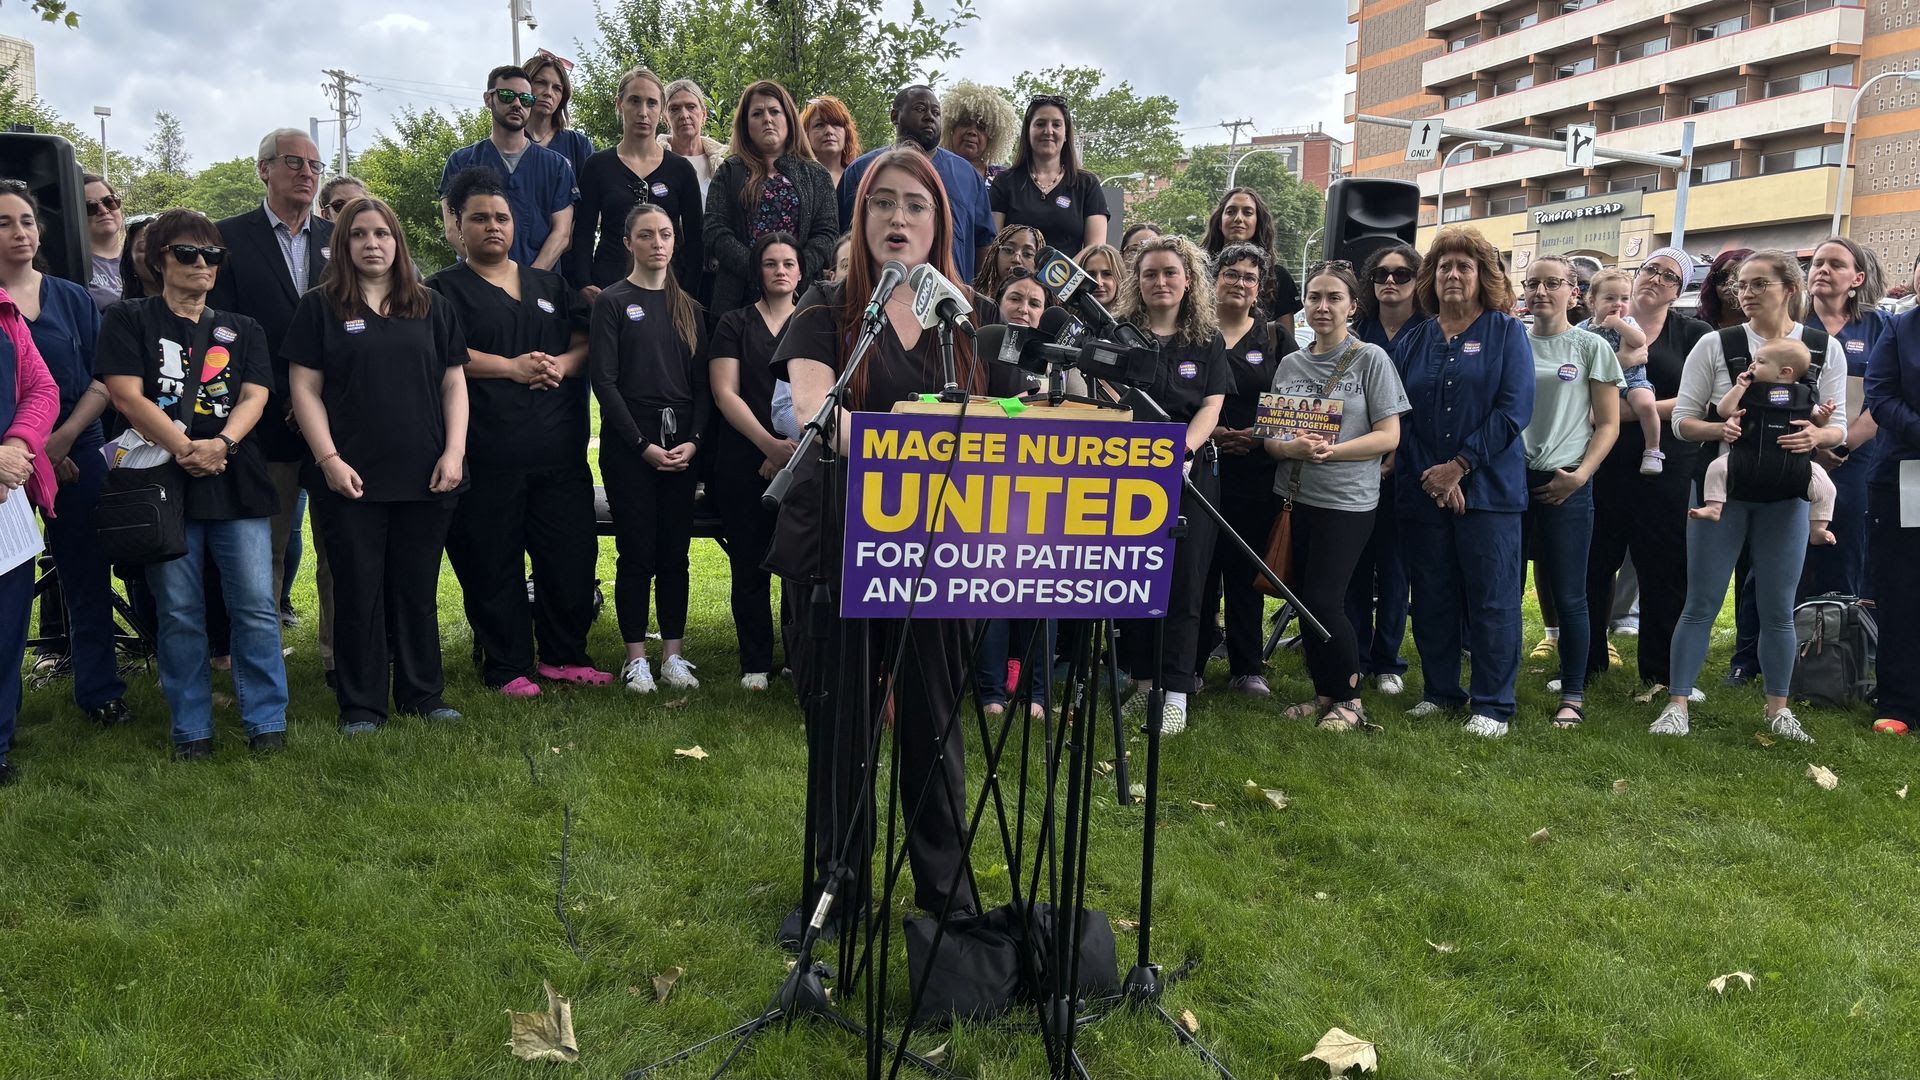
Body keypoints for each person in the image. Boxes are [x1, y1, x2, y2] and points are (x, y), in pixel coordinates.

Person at [771, 147, 983, 937]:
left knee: (935, 723)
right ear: (859, 220)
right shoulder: (825, 309)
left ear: (940, 222)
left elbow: (994, 427)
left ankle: (945, 894)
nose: (899, 218)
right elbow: (817, 412)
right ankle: (839, 883)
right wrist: (915, 446)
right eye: (882, 204)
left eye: (916, 205)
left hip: (938, 549)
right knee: (842, 726)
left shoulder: (966, 316)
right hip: (839, 543)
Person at [95, 209, 288, 759]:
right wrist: (185, 449)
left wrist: (220, 445)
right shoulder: (129, 319)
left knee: (253, 602)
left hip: (232, 473)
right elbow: (124, 393)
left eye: (212, 255)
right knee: (178, 607)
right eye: (187, 253)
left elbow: (255, 394)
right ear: (160, 260)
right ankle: (191, 730)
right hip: (161, 477)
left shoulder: (242, 327)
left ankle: (266, 720)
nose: (202, 264)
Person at [286, 196, 469, 734]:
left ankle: (423, 694)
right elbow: (304, 388)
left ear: (398, 242)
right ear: (342, 245)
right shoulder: (319, 307)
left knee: (416, 587)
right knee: (358, 588)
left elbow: (454, 382)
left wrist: (454, 451)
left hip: (426, 472)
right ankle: (361, 705)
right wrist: (329, 460)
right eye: (359, 235)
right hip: (351, 478)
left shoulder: (431, 305)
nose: (372, 244)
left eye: (382, 234)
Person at [1651, 249, 1847, 742]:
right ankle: (1677, 704)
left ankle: (1778, 709)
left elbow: (1837, 426)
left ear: (1790, 289)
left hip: (1787, 492)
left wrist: (1815, 438)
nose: (1746, 293)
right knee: (1701, 601)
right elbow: (1682, 422)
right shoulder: (1718, 345)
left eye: (1759, 284)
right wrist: (1722, 428)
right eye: (1742, 284)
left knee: (1779, 607)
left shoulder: (1822, 349)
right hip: (1725, 486)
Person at [428, 168, 607, 698]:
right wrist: (511, 367)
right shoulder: (441, 291)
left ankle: (563, 655)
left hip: (558, 454)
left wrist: (563, 366)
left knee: (570, 557)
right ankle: (506, 665)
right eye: (478, 218)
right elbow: (444, 357)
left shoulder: (550, 284)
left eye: (501, 218)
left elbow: (583, 342)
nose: (492, 227)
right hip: (486, 456)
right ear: (458, 226)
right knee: (492, 563)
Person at [207, 129, 336, 683]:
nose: (307, 173)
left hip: (337, 421)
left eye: (314, 164)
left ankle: (340, 656)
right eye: (293, 162)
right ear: (263, 170)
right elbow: (224, 331)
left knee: (338, 549)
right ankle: (256, 666)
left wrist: (318, 397)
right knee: (267, 550)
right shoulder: (229, 238)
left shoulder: (340, 237)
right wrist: (281, 396)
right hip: (262, 422)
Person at [0, 181, 130, 728]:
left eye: (26, 220)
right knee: (9, 585)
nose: (19, 232)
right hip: (6, 464)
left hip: (75, 445)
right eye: (4, 223)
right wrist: (29, 452)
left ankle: (99, 688)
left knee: (86, 572)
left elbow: (101, 383)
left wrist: (58, 442)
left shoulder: (72, 297)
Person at [1395, 227, 1533, 737]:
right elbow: (1400, 412)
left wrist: (1460, 465)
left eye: (1464, 266)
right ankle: (1440, 692)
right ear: (1431, 278)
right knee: (1431, 594)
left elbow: (1514, 409)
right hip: (1424, 489)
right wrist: (1434, 476)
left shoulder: (1505, 331)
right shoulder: (1416, 336)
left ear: (1483, 277)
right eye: (1444, 266)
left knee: (1493, 598)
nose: (1453, 275)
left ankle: (1493, 704)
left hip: (1491, 491)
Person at [1265, 262, 1409, 731]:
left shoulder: (1371, 360)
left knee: (1327, 601)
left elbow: (1389, 436)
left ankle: (1350, 699)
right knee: (1303, 599)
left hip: (1346, 502)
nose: (1322, 307)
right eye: (1314, 297)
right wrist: (1289, 447)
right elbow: (1271, 435)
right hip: (1293, 496)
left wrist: (1333, 451)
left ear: (1352, 306)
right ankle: (1324, 691)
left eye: (1333, 298)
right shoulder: (1290, 363)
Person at [591, 203, 709, 694]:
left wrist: (694, 441)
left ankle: (673, 656)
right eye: (646, 235)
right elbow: (605, 381)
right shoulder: (613, 303)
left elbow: (704, 386)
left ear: (674, 241)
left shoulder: (691, 307)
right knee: (636, 552)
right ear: (628, 243)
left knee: (674, 554)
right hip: (630, 445)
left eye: (665, 233)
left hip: (681, 442)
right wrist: (639, 444)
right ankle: (635, 657)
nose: (657, 243)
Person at [1115, 233, 1229, 735]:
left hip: (1190, 475)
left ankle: (1176, 689)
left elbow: (1211, 406)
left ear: (1189, 280)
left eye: (1170, 273)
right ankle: (1143, 681)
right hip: (1127, 475)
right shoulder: (1119, 334)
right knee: (1134, 576)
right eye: (1150, 274)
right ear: (1137, 283)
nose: (1160, 282)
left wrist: (1180, 451)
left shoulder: (1207, 339)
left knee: (1183, 583)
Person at [1583, 249, 1709, 691]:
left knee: (1664, 567)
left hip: (1666, 464)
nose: (1655, 279)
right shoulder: (1600, 325)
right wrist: (1609, 415)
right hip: (1605, 460)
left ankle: (1660, 670)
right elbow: (1578, 391)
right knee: (1594, 563)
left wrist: (1629, 412)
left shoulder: (1694, 333)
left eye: (1669, 276)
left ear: (1680, 291)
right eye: (1650, 269)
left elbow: (1700, 399)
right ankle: (1585, 664)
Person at [1518, 256, 1621, 730]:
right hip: (1509, 481)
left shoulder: (1590, 347)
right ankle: (1496, 684)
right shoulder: (1510, 341)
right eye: (1534, 283)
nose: (1542, 292)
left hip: (1567, 482)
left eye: (1553, 283)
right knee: (1502, 590)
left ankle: (1573, 694)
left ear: (1573, 292)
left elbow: (1609, 423)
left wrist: (1581, 476)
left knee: (1570, 593)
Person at [709, 232, 799, 690]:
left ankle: (797, 657)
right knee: (749, 563)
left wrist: (788, 449)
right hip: (744, 458)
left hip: (804, 461)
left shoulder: (816, 322)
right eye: (770, 263)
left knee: (799, 567)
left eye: (788, 263)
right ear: (757, 272)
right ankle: (756, 663)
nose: (780, 270)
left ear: (800, 271)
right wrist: (768, 445)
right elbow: (725, 392)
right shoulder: (734, 322)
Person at [1198, 242, 1282, 695]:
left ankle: (1247, 666)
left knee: (1245, 569)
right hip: (1199, 469)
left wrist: (1252, 435)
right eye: (1231, 273)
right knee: (1198, 569)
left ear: (1259, 289)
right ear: (1214, 280)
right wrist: (1211, 435)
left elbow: (1289, 403)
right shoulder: (1195, 332)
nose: (1239, 283)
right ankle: (1189, 663)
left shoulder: (1273, 338)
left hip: (1254, 470)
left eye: (1249, 278)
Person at [1346, 242, 1427, 695]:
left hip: (1410, 467)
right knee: (1355, 564)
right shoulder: (1355, 334)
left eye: (1401, 274)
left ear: (1418, 280)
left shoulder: (1433, 333)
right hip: (1358, 465)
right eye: (1380, 275)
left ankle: (1388, 661)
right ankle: (1355, 653)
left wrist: (1400, 452)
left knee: (1395, 568)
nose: (1390, 282)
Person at [0, 238, 60, 784]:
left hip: (8, 499)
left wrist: (19, 446)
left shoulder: (5, 312)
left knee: (7, 622)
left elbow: (41, 388)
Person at [1800, 236, 1888, 599]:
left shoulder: (1879, 326)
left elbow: (1886, 394)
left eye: (1836, 264)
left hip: (1855, 455)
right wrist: (1815, 443)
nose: (1823, 270)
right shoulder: (1790, 320)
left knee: (1847, 543)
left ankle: (1838, 643)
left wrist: (1841, 443)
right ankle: (1769, 646)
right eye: (1818, 263)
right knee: (1789, 547)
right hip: (1795, 447)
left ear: (1857, 279)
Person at [704, 80, 838, 316]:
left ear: (788, 118)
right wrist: (758, 269)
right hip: (739, 299)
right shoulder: (729, 172)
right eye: (757, 113)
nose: (767, 119)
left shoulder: (816, 174)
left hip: (803, 298)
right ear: (746, 125)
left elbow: (826, 233)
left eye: (774, 111)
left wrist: (793, 271)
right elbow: (715, 231)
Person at [1688, 338, 1837, 545]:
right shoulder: (1749, 391)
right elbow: (1724, 410)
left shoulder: (1804, 395)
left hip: (1793, 463)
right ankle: (1714, 506)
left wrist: (1824, 416)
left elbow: (1817, 421)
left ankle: (1818, 528)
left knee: (1826, 486)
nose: (1752, 365)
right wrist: (1739, 386)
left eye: (1760, 361)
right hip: (1746, 457)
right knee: (1716, 467)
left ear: (1784, 372)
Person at [570, 67, 703, 294]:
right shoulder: (597, 166)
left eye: (651, 103)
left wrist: (687, 291)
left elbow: (695, 240)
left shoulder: (681, 170)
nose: (643, 112)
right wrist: (583, 283)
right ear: (619, 104)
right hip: (608, 287)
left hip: (667, 289)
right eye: (634, 101)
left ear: (661, 110)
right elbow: (583, 232)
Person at [837, 85, 994, 275]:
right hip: (875, 295)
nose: (930, 117)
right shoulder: (861, 170)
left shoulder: (967, 175)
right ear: (895, 116)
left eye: (936, 112)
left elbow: (984, 243)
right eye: (920, 109)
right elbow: (844, 239)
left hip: (952, 297)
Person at [438, 65, 576, 271]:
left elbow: (562, 233)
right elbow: (451, 229)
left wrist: (529, 280)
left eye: (525, 99)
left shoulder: (557, 166)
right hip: (476, 284)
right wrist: (494, 275)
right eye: (506, 95)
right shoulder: (461, 161)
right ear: (488, 99)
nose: (517, 104)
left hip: (538, 286)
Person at [1863, 280, 1920, 735]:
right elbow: (1881, 397)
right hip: (1906, 475)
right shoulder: (1899, 329)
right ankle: (1899, 702)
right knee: (1901, 588)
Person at [990, 95, 1109, 256]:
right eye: (1040, 124)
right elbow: (992, 246)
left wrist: (1057, 275)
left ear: (1066, 134)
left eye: (1056, 125)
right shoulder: (1004, 182)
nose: (1048, 131)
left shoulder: (1087, 184)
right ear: (1028, 132)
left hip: (1068, 279)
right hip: (1014, 278)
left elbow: (1094, 252)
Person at [1582, 269, 1662, 475]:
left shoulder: (1628, 323)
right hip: (1601, 386)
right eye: (1610, 298)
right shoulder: (1583, 330)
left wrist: (1618, 324)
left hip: (1633, 380)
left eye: (1625, 298)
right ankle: (1589, 455)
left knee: (1646, 403)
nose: (1618, 304)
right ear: (1592, 301)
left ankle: (1653, 449)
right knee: (1589, 417)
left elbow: (1639, 341)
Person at [1203, 186, 1303, 341]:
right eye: (1230, 211)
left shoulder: (1278, 277)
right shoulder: (1197, 272)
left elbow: (1286, 348)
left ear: (1258, 221)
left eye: (1247, 212)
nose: (1238, 218)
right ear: (1219, 220)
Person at [523, 51, 595, 183]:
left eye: (557, 88)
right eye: (540, 83)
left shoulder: (578, 145)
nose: (548, 93)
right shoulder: (509, 140)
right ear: (524, 87)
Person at [661, 79, 729, 204]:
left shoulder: (722, 167)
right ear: (665, 118)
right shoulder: (653, 163)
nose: (684, 115)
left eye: (691, 107)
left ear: (704, 115)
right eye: (674, 109)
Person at [940, 80, 1018, 181]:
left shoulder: (1005, 178)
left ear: (990, 138)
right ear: (952, 129)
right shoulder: (933, 169)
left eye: (981, 128)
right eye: (965, 123)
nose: (972, 132)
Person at [799, 94, 861, 192]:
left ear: (847, 132)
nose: (829, 131)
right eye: (819, 125)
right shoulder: (795, 178)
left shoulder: (859, 178)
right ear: (806, 134)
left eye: (836, 124)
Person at [82, 173, 125, 310]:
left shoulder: (140, 256)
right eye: (90, 207)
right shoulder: (72, 265)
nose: (103, 210)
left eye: (109, 201)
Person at [973, 224, 1042, 306]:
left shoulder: (1046, 310)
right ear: (995, 254)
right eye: (1009, 250)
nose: (1016, 259)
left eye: (1027, 254)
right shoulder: (972, 298)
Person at [118, 214, 159, 301]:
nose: (155, 253)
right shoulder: (122, 312)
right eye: (145, 248)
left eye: (162, 246)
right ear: (130, 259)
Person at [1076, 243, 1122, 308]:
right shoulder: (1065, 316)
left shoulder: (1133, 317)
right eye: (1091, 275)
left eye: (1107, 274)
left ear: (1120, 277)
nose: (1098, 283)